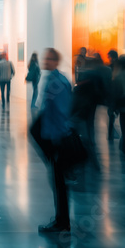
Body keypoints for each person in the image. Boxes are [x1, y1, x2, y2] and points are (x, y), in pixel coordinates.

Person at [37, 48, 72, 233]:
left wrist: (57, 139)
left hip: (58, 139)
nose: (46, 61)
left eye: (50, 59)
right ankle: (61, 220)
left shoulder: (57, 82)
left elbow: (60, 113)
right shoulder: (54, 80)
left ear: (56, 61)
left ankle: (62, 222)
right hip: (54, 137)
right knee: (58, 182)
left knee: (59, 183)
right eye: (45, 58)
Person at [107, 49, 119, 141]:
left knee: (111, 113)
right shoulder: (121, 66)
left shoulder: (110, 67)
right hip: (118, 93)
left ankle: (110, 133)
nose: (108, 58)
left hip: (112, 93)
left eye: (109, 56)